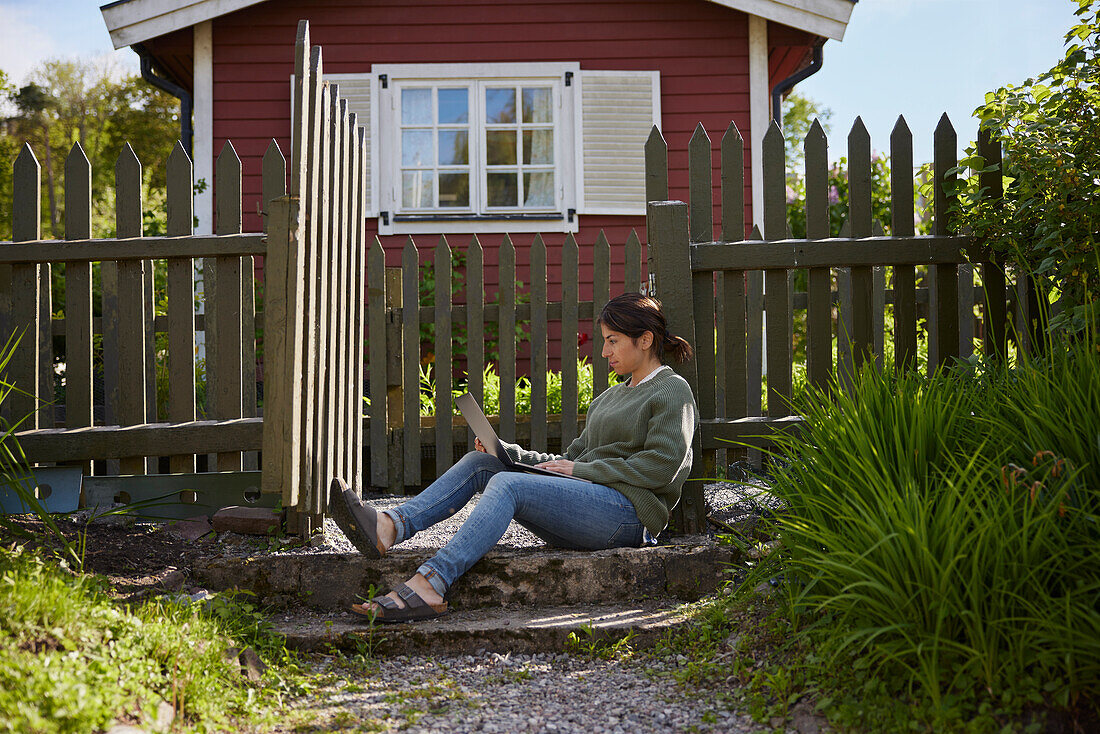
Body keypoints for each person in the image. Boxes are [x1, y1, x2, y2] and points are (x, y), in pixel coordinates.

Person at [330, 292, 699, 622]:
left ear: (645, 339)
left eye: (612, 341)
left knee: (508, 485)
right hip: (591, 506)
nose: (604, 352)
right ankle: (389, 526)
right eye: (604, 341)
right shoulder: (610, 397)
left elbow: (663, 467)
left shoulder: (671, 391)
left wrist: (582, 469)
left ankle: (432, 582)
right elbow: (567, 460)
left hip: (629, 517)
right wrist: (508, 452)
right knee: (485, 465)